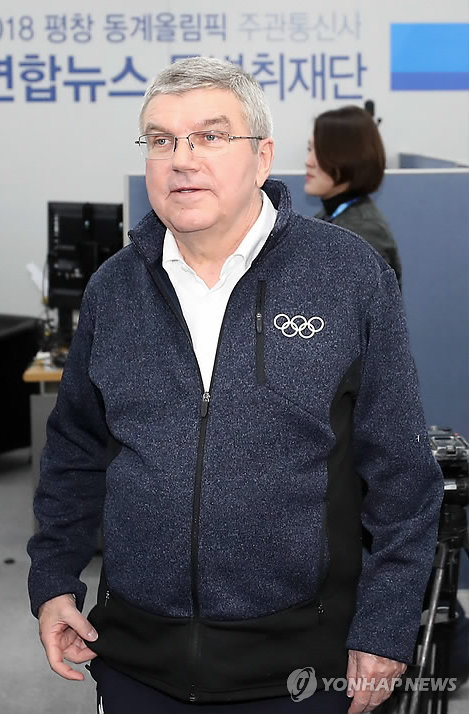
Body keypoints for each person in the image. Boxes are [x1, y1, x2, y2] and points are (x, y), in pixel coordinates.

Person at [27, 57, 443, 714]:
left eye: (209, 136)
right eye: (160, 140)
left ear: (261, 156)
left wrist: (385, 625)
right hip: (138, 660)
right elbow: (75, 451)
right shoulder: (115, 288)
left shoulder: (346, 276)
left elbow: (402, 476)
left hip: (298, 665)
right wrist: (53, 581)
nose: (180, 159)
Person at [305, 105, 402, 287]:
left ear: (347, 158)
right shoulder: (329, 218)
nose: (308, 161)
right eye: (309, 150)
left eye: (320, 152)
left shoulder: (364, 233)